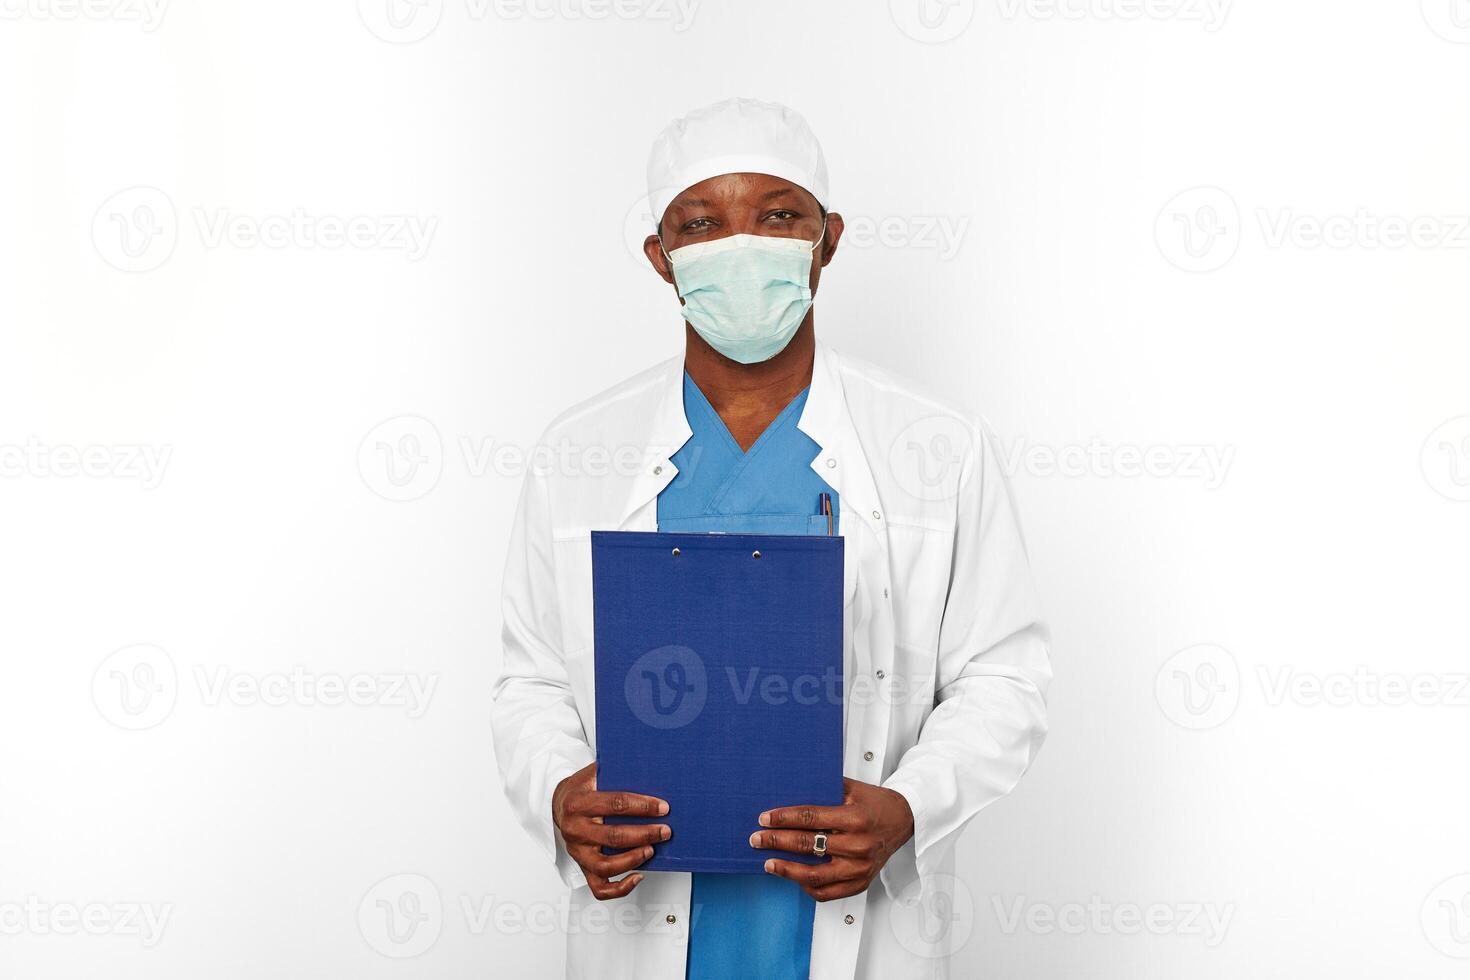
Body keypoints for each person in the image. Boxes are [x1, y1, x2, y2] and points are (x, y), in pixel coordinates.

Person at [491, 97, 1052, 980]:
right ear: (660, 257)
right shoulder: (578, 452)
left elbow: (1003, 678)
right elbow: (528, 681)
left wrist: (907, 807)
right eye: (702, 223)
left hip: (862, 935)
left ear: (827, 240)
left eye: (778, 215)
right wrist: (561, 791)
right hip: (643, 921)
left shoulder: (937, 445)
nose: (740, 248)